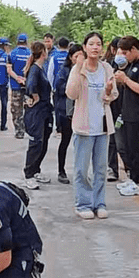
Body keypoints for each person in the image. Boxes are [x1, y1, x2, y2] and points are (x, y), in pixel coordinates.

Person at [66, 32, 118, 219]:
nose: (95, 47)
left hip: (102, 127)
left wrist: (109, 91)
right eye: (91, 44)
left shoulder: (106, 68)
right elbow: (71, 94)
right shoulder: (79, 69)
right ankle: (83, 204)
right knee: (81, 168)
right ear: (85, 47)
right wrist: (79, 69)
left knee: (101, 168)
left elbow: (112, 97)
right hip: (83, 126)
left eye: (98, 44)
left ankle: (100, 203)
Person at [114, 36, 139, 197]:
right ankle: (132, 178)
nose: (123, 56)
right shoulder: (134, 65)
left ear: (133, 49)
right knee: (129, 149)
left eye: (125, 52)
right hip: (128, 114)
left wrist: (125, 79)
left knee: (137, 151)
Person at [22, 42, 54, 189]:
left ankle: (36, 170)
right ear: (43, 53)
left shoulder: (41, 69)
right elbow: (30, 86)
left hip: (45, 111)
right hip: (37, 112)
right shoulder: (35, 69)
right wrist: (35, 98)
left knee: (43, 142)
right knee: (36, 143)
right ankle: (29, 173)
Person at [54, 43, 83, 184]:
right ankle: (61, 170)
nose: (79, 59)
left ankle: (80, 171)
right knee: (65, 142)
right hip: (67, 112)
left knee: (82, 144)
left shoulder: (88, 70)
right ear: (71, 58)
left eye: (81, 56)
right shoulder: (64, 71)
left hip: (82, 111)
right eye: (76, 56)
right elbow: (58, 88)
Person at [105, 37, 123, 181]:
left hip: (127, 107)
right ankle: (112, 169)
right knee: (112, 139)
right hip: (112, 107)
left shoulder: (129, 66)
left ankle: (129, 169)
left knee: (126, 141)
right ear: (113, 49)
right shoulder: (107, 66)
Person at [7, 34, 30, 139]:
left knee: (16, 109)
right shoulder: (30, 54)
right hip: (28, 86)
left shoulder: (12, 54)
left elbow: (9, 70)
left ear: (17, 42)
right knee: (29, 108)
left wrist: (17, 78)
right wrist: (25, 78)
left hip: (16, 86)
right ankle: (28, 128)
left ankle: (19, 130)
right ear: (26, 42)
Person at [48, 37, 70, 133]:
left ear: (58, 45)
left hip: (57, 86)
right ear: (68, 46)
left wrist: (52, 86)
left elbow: (50, 72)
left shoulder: (54, 57)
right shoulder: (70, 57)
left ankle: (58, 126)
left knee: (57, 107)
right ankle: (67, 125)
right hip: (69, 85)